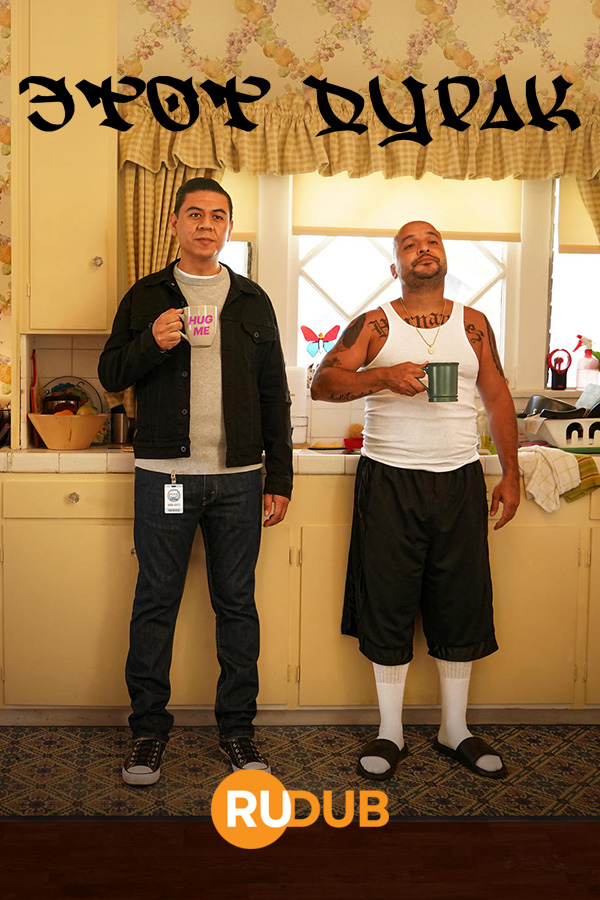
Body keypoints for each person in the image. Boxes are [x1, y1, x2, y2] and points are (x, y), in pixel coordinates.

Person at [98, 177, 292, 785]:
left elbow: (274, 394)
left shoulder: (253, 300)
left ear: (228, 227)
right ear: (176, 223)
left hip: (239, 479)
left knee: (236, 606)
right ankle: (147, 733)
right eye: (195, 214)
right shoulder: (144, 295)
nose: (207, 224)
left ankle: (237, 731)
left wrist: (281, 477)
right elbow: (110, 374)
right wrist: (151, 344)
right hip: (164, 476)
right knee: (155, 602)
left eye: (218, 216)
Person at [311, 220, 519, 781]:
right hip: (389, 480)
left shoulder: (475, 324)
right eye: (409, 244)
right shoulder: (374, 324)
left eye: (432, 242)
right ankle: (390, 731)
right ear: (395, 266)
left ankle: (455, 728)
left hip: (459, 478)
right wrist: (381, 377)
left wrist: (512, 472)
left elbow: (498, 397)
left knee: (460, 601)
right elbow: (322, 384)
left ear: (444, 256)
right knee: (387, 601)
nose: (423, 249)